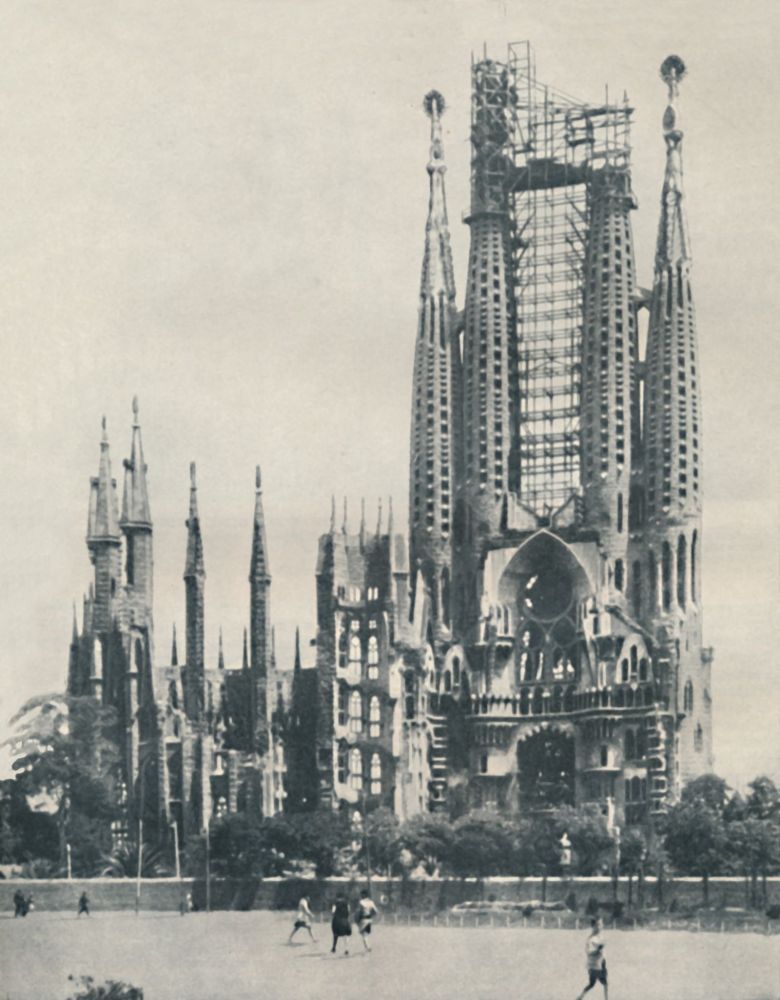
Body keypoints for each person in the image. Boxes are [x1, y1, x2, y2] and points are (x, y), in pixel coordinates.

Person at [576, 917, 608, 1000]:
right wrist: (598, 949)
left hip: (601, 962)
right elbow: (588, 952)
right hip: (594, 965)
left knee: (593, 984)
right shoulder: (591, 939)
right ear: (593, 926)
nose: (600, 926)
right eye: (598, 924)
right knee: (602, 983)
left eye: (601, 924)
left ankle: (580, 997)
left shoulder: (599, 936)